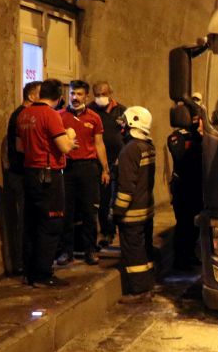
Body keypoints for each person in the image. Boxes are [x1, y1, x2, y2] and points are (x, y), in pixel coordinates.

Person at [16, 78, 75, 287]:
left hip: (30, 173)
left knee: (32, 223)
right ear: (59, 98)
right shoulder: (50, 115)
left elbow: (20, 147)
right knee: (51, 224)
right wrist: (70, 137)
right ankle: (43, 274)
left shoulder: (24, 114)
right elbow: (65, 147)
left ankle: (30, 272)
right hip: (48, 175)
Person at [56, 80, 110, 266]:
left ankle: (90, 250)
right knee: (66, 212)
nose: (75, 97)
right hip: (67, 168)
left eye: (79, 94)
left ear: (86, 96)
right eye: (72, 93)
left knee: (89, 211)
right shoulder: (59, 116)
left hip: (88, 168)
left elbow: (99, 144)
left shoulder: (94, 117)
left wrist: (105, 168)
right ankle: (66, 251)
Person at [113, 106, 157, 299]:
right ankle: (148, 283)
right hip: (146, 209)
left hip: (132, 213)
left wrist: (117, 211)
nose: (121, 125)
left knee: (134, 253)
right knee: (145, 250)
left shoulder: (129, 151)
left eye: (124, 121)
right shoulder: (148, 146)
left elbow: (126, 187)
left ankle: (139, 291)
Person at [1, 80, 41, 276]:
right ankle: (22, 263)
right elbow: (20, 146)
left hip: (22, 173)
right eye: (41, 95)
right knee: (24, 220)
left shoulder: (24, 114)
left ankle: (26, 261)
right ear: (32, 96)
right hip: (22, 174)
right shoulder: (22, 116)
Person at [166, 97, 204, 270]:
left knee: (195, 225)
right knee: (183, 225)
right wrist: (198, 137)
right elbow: (181, 157)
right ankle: (180, 260)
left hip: (197, 186)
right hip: (183, 188)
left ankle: (190, 255)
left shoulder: (198, 136)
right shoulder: (176, 137)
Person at [90, 82, 126, 248]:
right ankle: (106, 232)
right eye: (97, 94)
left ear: (110, 93)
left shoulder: (121, 111)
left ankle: (117, 230)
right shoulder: (90, 110)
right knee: (103, 200)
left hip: (116, 161)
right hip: (97, 162)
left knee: (115, 199)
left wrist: (123, 155)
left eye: (103, 94)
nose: (100, 97)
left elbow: (127, 135)